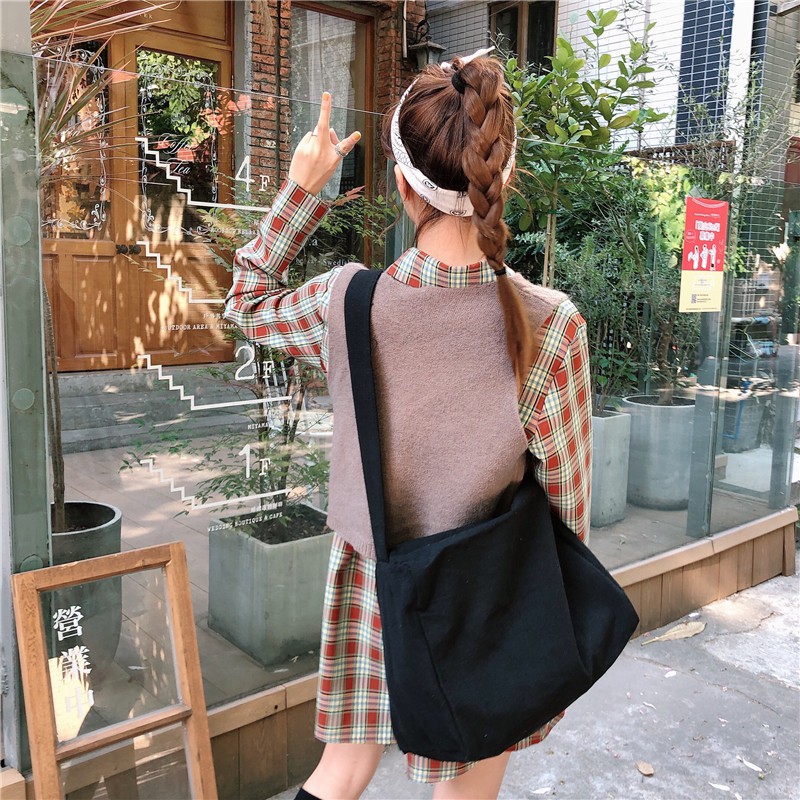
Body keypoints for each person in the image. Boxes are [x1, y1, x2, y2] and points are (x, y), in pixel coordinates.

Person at [224, 51, 592, 800]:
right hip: (486, 592)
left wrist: (303, 189)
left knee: (341, 771)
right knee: (465, 788)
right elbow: (567, 508)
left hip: (371, 576)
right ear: (504, 175)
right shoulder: (550, 326)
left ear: (400, 185)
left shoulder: (345, 304)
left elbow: (246, 302)